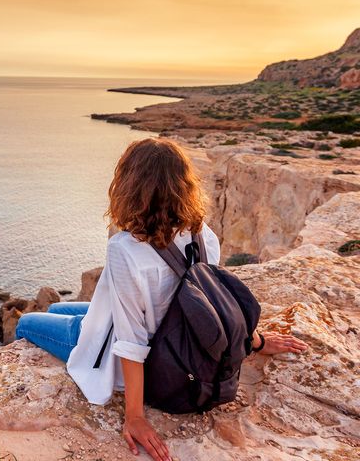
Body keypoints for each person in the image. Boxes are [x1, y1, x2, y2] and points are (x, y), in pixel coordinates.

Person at [16, 137, 308, 461]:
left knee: (26, 322)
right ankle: (71, 320)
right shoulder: (203, 234)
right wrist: (256, 341)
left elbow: (131, 340)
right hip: (174, 335)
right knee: (57, 306)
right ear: (183, 186)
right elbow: (214, 300)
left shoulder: (125, 248)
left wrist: (135, 417)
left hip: (148, 356)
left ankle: (58, 335)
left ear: (129, 186)